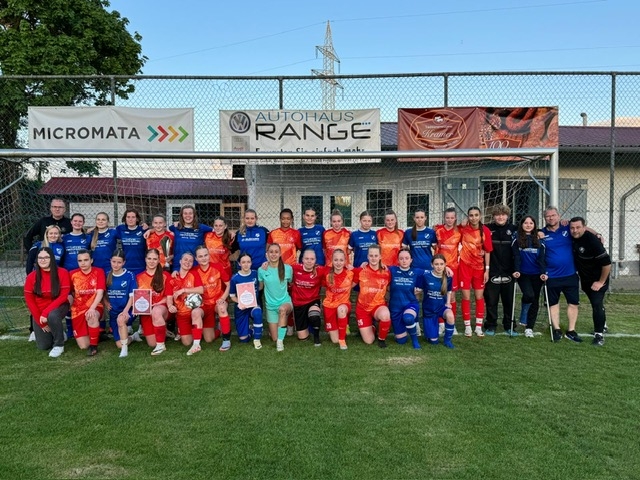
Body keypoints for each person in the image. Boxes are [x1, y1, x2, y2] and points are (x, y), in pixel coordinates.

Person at [541, 206, 581, 343]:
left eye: (553, 215)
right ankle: (556, 329)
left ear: (558, 216)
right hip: (551, 276)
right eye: (548, 216)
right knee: (553, 303)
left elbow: (583, 229)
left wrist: (598, 235)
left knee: (573, 303)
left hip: (570, 274)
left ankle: (571, 330)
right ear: (544, 218)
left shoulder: (568, 228)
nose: (551, 218)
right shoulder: (541, 233)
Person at [569, 217, 611, 346]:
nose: (575, 230)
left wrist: (601, 282)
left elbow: (607, 263)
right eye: (572, 228)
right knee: (595, 302)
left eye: (578, 227)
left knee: (596, 304)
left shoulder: (592, 241)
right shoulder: (573, 237)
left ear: (584, 227)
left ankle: (599, 335)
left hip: (598, 279)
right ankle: (603, 324)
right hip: (585, 279)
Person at [23, 246, 71, 357]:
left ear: (51, 259)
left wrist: (45, 313)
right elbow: (30, 301)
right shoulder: (31, 277)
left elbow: (63, 296)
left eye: (46, 257)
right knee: (43, 346)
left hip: (59, 306)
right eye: (40, 258)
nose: (43, 260)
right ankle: (58, 331)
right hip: (40, 311)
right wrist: (40, 321)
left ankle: (59, 345)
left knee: (52, 315)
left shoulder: (62, 272)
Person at [458, 206, 493, 337]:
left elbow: (488, 251)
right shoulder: (463, 229)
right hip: (465, 267)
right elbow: (451, 230)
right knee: (466, 297)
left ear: (480, 216)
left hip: (479, 268)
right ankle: (467, 326)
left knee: (479, 297)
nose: (474, 218)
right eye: (471, 215)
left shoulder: (485, 230)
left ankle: (478, 327)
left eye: (476, 215)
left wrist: (487, 270)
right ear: (468, 217)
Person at [484, 205, 518, 336]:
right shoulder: (487, 228)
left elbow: (529, 230)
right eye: (497, 215)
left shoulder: (514, 229)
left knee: (508, 300)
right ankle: (491, 325)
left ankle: (509, 325)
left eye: (503, 215)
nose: (500, 217)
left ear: (507, 216)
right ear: (493, 216)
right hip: (492, 270)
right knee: (491, 300)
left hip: (509, 270)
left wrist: (539, 231)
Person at [512, 216, 547, 338]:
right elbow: (516, 257)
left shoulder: (539, 240)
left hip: (537, 274)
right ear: (521, 224)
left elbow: (541, 259)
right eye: (525, 223)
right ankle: (524, 312)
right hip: (523, 274)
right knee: (529, 295)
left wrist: (543, 272)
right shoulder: (516, 239)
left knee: (535, 300)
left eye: (531, 223)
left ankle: (529, 327)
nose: (528, 225)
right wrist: (516, 270)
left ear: (534, 225)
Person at [191, 245, 232, 351]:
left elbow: (229, 284)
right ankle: (218, 330)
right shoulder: (193, 271)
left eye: (205, 255)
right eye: (200, 256)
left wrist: (223, 298)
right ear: (196, 258)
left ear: (209, 256)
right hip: (204, 305)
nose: (203, 258)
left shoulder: (217, 267)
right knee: (209, 339)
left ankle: (226, 340)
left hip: (217, 301)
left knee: (222, 308)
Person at [136, 248, 175, 355]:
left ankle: (161, 346)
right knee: (152, 343)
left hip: (162, 308)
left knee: (156, 311)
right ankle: (163, 330)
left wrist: (157, 303)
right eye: (149, 258)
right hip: (146, 312)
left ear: (158, 260)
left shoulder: (165, 275)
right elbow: (136, 297)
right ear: (145, 259)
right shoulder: (139, 277)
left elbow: (168, 296)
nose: (151, 261)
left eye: (154, 259)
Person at [353, 244, 392, 348]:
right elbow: (347, 283)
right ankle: (373, 327)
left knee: (385, 315)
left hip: (378, 306)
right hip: (362, 309)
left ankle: (381, 339)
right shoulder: (360, 270)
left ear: (380, 257)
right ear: (367, 256)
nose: (373, 258)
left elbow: (390, 287)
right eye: (371, 255)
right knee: (369, 341)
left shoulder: (387, 272)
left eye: (376, 255)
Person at [68, 249, 106, 356]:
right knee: (83, 346)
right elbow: (71, 292)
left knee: (92, 316)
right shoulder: (72, 274)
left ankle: (93, 346)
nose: (83, 263)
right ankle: (96, 334)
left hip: (94, 306)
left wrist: (92, 308)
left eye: (86, 260)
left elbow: (100, 293)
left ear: (91, 260)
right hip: (78, 310)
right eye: (80, 261)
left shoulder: (99, 272)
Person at [258, 243, 293, 351]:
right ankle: (279, 331)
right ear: (267, 254)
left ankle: (280, 343)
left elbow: (291, 283)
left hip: (285, 302)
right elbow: (260, 287)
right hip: (271, 307)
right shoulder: (262, 270)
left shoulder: (287, 269)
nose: (273, 254)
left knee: (282, 310)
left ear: (280, 253)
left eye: (276, 252)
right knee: (274, 338)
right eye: (271, 252)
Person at [416, 254, 456, 349]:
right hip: (429, 310)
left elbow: (449, 291)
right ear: (432, 265)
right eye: (436, 264)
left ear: (445, 265)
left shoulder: (448, 277)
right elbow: (418, 289)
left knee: (450, 316)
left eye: (441, 264)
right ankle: (431, 334)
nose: (439, 267)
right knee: (433, 341)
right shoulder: (425, 276)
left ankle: (447, 340)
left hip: (441, 307)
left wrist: (448, 303)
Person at [168, 252, 205, 355]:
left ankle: (196, 345)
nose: (187, 262)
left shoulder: (194, 274)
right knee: (186, 342)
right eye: (185, 260)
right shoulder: (172, 278)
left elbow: (201, 290)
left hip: (196, 309)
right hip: (182, 313)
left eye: (190, 261)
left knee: (196, 313)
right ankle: (196, 330)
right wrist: (170, 305)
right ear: (180, 261)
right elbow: (169, 296)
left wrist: (184, 290)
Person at [104, 249, 138, 358]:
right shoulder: (107, 274)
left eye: (119, 262)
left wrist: (125, 311)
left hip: (127, 310)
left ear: (124, 262)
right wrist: (106, 302)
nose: (116, 265)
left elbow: (132, 296)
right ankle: (133, 336)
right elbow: (102, 292)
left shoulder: (129, 275)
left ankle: (124, 350)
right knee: (118, 344)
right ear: (110, 261)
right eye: (114, 261)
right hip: (114, 313)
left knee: (121, 320)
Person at [291, 249, 327, 346]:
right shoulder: (295, 268)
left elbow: (335, 269)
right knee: (302, 338)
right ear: (302, 259)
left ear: (315, 260)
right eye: (306, 258)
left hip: (313, 301)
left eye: (312, 259)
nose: (309, 261)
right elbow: (280, 266)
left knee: (314, 315)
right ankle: (306, 326)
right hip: (298, 304)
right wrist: (266, 263)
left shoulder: (320, 270)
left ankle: (316, 337)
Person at [388, 249, 423, 349]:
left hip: (410, 304)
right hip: (395, 308)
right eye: (401, 258)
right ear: (398, 260)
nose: (404, 261)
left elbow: (434, 272)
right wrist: (364, 264)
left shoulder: (417, 272)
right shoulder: (392, 270)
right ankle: (406, 327)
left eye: (407, 258)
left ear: (411, 260)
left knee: (408, 318)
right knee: (401, 341)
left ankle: (415, 341)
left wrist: (447, 268)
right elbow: (377, 266)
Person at [434, 207, 461, 335]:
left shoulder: (459, 232)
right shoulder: (438, 231)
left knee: (452, 297)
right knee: (440, 295)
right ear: (444, 218)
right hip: (439, 268)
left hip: (453, 269)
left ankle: (451, 323)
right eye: (447, 217)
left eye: (452, 218)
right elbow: (435, 248)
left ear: (455, 219)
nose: (449, 220)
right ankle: (440, 324)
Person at [322, 248, 355, 350]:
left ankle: (342, 340)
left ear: (345, 261)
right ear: (332, 261)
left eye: (341, 260)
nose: (338, 263)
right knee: (334, 340)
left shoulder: (351, 273)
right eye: (336, 260)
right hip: (329, 305)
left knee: (341, 309)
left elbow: (365, 270)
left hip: (344, 304)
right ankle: (341, 328)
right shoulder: (326, 273)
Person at [229, 253, 264, 349]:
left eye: (248, 262)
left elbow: (260, 287)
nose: (246, 264)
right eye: (243, 262)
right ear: (239, 263)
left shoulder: (255, 273)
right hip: (241, 308)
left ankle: (257, 339)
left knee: (257, 312)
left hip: (253, 305)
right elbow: (232, 296)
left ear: (251, 263)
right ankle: (252, 330)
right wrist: (240, 303)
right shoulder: (235, 278)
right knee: (243, 339)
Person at [168, 205, 213, 271]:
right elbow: (160, 229)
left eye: (190, 213)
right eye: (185, 213)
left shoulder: (201, 227)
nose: (188, 216)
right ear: (182, 215)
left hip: (196, 265)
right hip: (178, 265)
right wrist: (151, 230)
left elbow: (218, 230)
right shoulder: (175, 227)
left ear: (194, 215)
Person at [115, 209, 148, 275]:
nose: (130, 219)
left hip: (140, 266)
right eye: (128, 217)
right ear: (125, 219)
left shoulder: (143, 229)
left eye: (133, 217)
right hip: (125, 266)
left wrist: (149, 229)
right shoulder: (120, 229)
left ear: (137, 219)